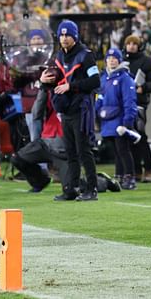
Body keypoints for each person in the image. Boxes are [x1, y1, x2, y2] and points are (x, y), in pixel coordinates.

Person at [41, 20, 100, 201]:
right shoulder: (59, 56)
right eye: (62, 35)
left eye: (68, 35)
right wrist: (44, 81)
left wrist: (71, 86)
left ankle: (92, 189)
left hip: (81, 109)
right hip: (66, 110)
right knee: (70, 151)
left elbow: (95, 81)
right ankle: (72, 188)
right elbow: (57, 81)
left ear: (75, 36)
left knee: (84, 150)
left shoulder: (86, 56)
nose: (64, 38)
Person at [96, 48, 138, 190]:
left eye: (114, 58)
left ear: (120, 60)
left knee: (123, 149)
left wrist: (127, 121)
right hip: (107, 120)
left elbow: (129, 101)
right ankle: (119, 176)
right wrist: (96, 113)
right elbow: (100, 98)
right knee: (116, 151)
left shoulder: (125, 78)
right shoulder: (104, 78)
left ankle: (129, 177)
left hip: (120, 120)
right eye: (109, 58)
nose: (111, 60)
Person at [123, 35, 151, 183]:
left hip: (138, 104)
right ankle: (136, 170)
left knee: (140, 136)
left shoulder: (146, 61)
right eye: (129, 43)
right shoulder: (121, 61)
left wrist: (143, 88)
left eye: (134, 44)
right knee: (128, 138)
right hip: (124, 104)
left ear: (139, 46)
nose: (131, 46)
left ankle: (149, 169)